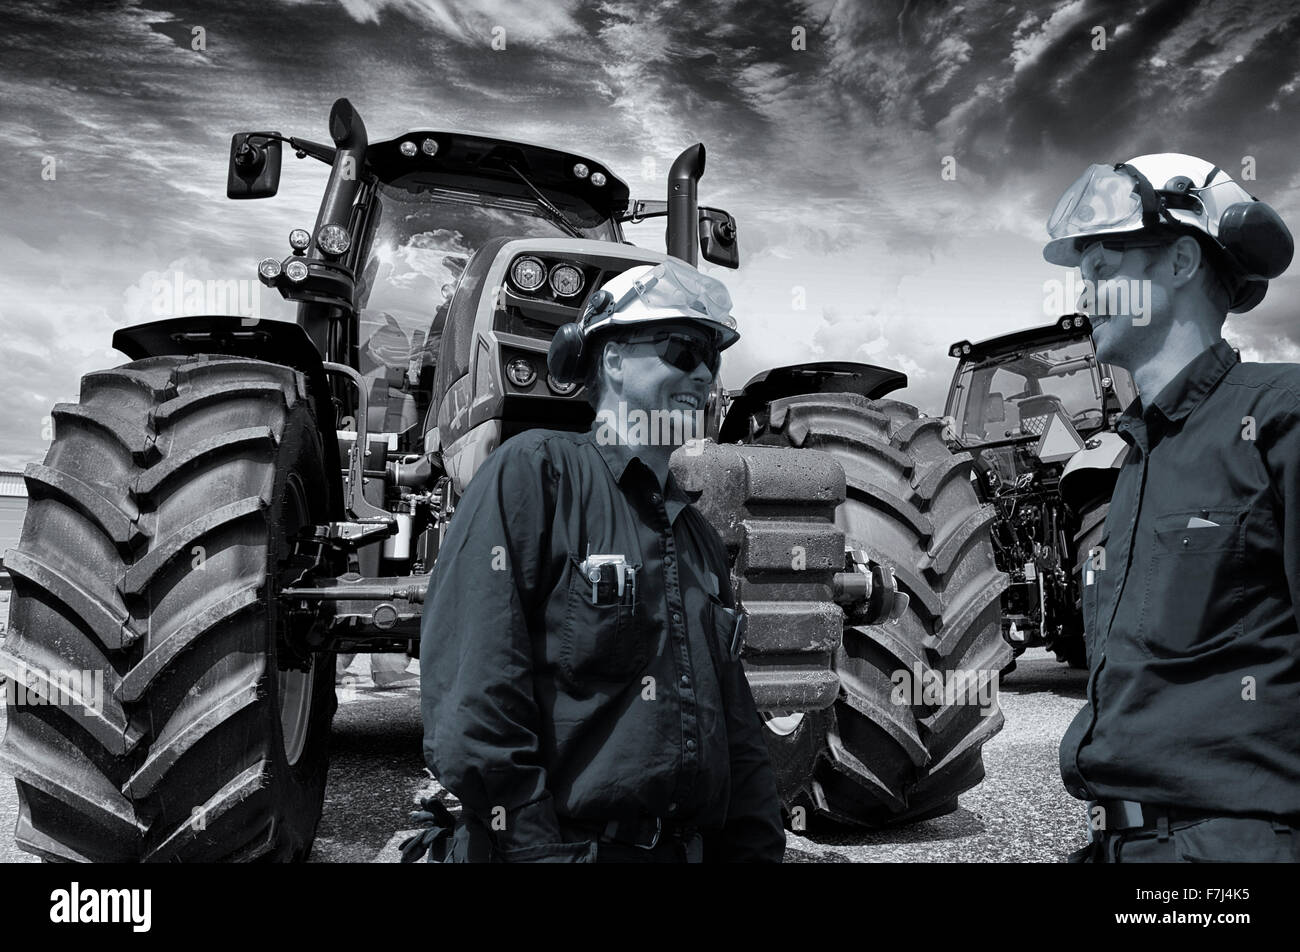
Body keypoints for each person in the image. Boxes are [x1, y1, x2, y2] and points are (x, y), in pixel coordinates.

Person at [406, 257, 786, 863]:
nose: (704, 375)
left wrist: (757, 848)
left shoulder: (699, 540)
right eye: (682, 350)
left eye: (713, 358)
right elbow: (474, 692)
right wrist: (532, 847)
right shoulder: (536, 475)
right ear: (611, 358)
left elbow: (735, 727)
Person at [1043, 153, 1297, 861]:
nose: (1083, 296)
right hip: (1123, 844)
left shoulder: (1281, 415)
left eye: (1101, 271)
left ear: (1181, 261)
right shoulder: (1129, 463)